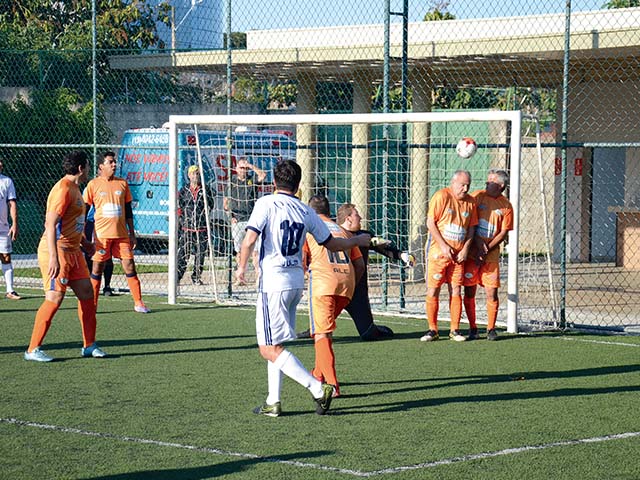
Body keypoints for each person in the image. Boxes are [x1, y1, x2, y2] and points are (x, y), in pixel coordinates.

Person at [235, 160, 371, 417]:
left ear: (275, 182)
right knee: (275, 343)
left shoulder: (266, 203)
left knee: (268, 348)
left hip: (273, 282)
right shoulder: (305, 210)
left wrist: (241, 267)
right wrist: (356, 240)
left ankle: (318, 388)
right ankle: (273, 401)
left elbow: (250, 238)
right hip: (296, 282)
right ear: (298, 186)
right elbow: (331, 243)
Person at [24, 151, 107, 362]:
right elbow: (50, 225)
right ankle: (33, 349)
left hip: (74, 251)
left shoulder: (76, 189)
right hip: (57, 251)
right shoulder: (62, 190)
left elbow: (70, 225)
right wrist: (53, 257)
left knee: (87, 294)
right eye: (88, 166)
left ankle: (89, 345)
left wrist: (85, 243)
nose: (89, 169)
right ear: (81, 168)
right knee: (54, 297)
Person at [303, 195, 365, 397]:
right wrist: (351, 285)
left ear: (311, 212)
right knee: (324, 333)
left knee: (321, 335)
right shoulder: (343, 231)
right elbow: (359, 264)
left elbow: (303, 260)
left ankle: (332, 386)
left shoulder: (309, 228)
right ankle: (317, 374)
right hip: (346, 286)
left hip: (323, 285)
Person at [83, 151, 150, 313]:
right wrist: (84, 234)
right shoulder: (92, 185)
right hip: (101, 237)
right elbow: (84, 211)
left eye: (115, 162)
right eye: (110, 162)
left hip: (121, 236)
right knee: (97, 268)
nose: (114, 165)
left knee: (129, 265)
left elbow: (128, 211)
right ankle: (92, 305)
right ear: (101, 166)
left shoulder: (122, 183)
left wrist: (132, 233)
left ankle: (138, 303)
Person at [337, 203, 415, 340]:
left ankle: (374, 329)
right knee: (321, 328)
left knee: (368, 335)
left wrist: (401, 255)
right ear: (348, 218)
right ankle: (311, 330)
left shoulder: (365, 236)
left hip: (357, 292)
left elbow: (382, 246)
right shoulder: (333, 234)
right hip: (336, 287)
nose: (360, 217)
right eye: (356, 215)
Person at [422, 169, 478, 342]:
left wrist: (465, 249)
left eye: (468, 185)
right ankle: (433, 329)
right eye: (462, 185)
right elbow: (430, 222)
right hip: (439, 254)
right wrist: (443, 245)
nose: (465, 188)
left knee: (456, 289)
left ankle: (455, 330)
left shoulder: (470, 202)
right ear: (453, 183)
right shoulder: (441, 196)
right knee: (433, 289)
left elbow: (471, 228)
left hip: (458, 256)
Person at [463, 169, 514, 341]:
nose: (486, 184)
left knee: (491, 293)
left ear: (500, 186)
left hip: (490, 257)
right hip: (472, 253)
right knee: (469, 291)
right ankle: (472, 328)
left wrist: (486, 249)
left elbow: (503, 233)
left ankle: (491, 328)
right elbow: (470, 223)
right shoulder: (477, 196)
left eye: (490, 182)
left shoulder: (506, 206)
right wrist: (477, 245)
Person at [224, 158, 266, 284]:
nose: (243, 170)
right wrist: (229, 216)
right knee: (239, 251)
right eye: (241, 168)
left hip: (251, 220)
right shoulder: (232, 183)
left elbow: (263, 175)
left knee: (255, 250)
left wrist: (250, 165)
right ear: (236, 169)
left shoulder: (251, 180)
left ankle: (258, 276)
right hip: (238, 220)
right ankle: (240, 277)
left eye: (245, 168)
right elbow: (226, 202)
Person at [177, 165, 216, 285]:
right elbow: (180, 207)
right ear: (189, 175)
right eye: (193, 173)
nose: (195, 176)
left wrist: (203, 217)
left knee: (200, 254)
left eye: (197, 173)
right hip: (187, 228)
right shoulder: (184, 190)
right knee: (183, 253)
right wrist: (182, 221)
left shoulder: (205, 189)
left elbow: (211, 205)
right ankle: (177, 277)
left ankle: (196, 276)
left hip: (201, 228)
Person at [84, 203, 115, 296]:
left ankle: (107, 286)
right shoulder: (89, 190)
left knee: (107, 255)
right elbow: (84, 207)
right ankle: (91, 285)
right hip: (90, 223)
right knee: (89, 255)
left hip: (106, 224)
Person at [0, 158, 20, 300]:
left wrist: (14, 223)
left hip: (3, 228)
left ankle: (10, 290)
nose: (1, 164)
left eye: (1, 162)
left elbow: (12, 204)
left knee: (6, 257)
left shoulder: (7, 181)